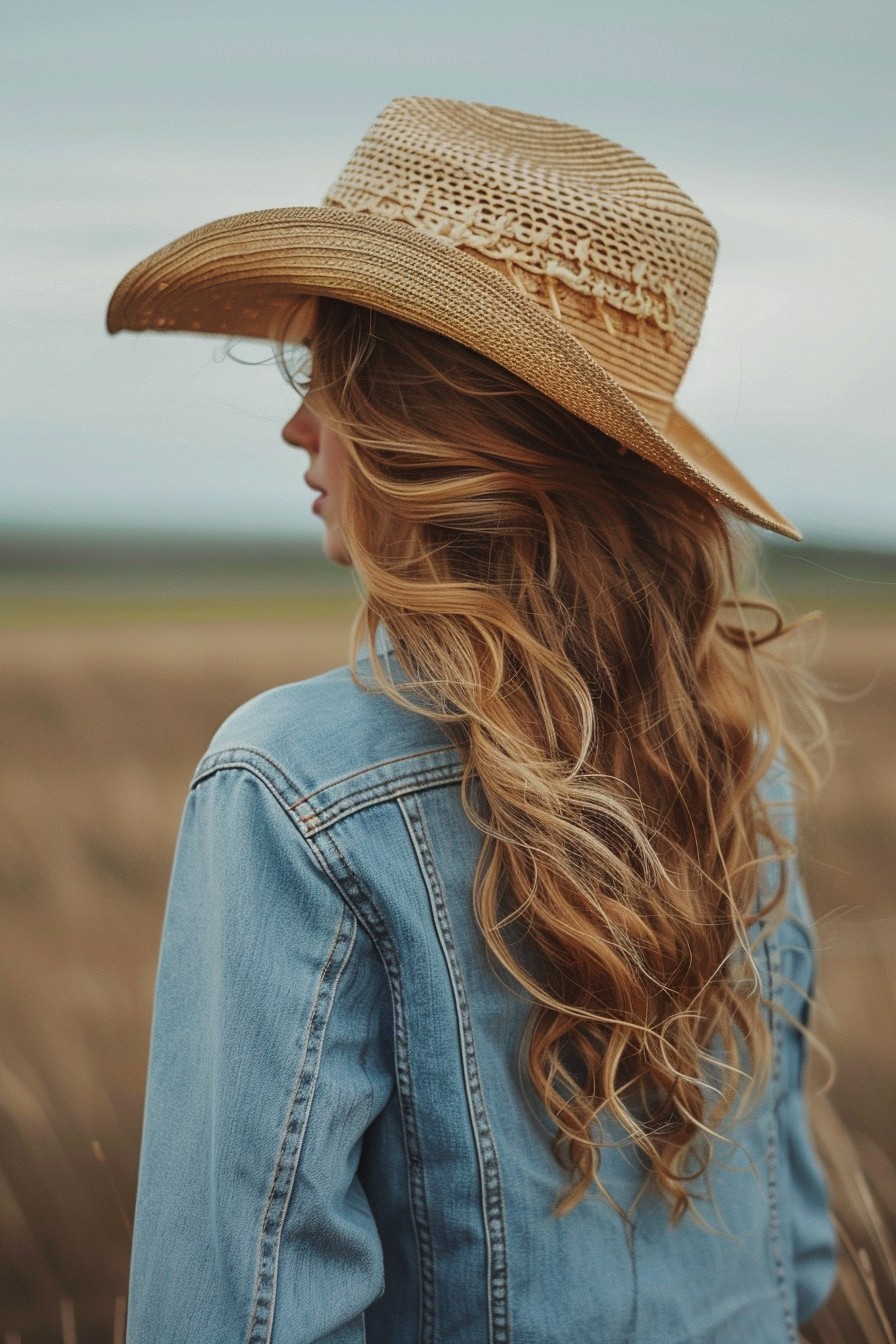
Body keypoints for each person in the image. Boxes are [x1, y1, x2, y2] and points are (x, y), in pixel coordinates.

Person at [108, 98, 837, 1342]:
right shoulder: (730, 763)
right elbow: (796, 1257)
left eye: (327, 373)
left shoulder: (292, 786)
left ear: (430, 427)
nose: (299, 423)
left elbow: (231, 1314)